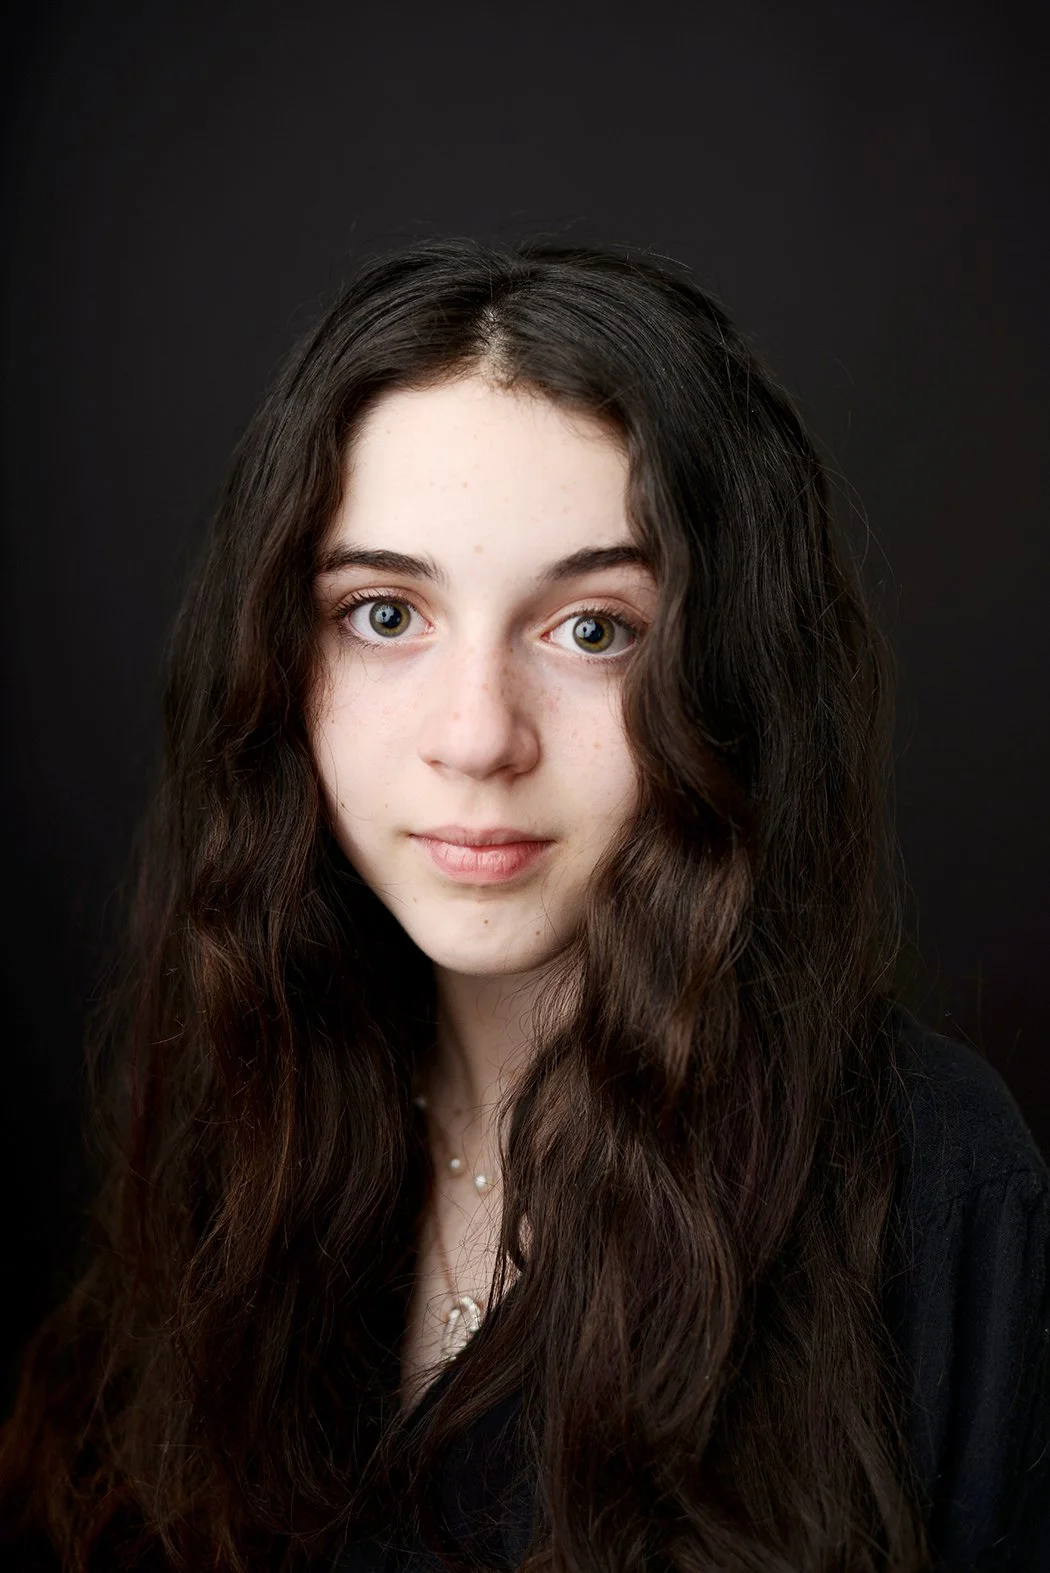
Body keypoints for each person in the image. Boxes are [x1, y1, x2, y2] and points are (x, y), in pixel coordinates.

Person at [0, 238, 1046, 1573]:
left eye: (592, 630)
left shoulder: (927, 1189)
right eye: (384, 616)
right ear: (275, 664)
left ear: (724, 681)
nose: (479, 737)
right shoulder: (240, 1133)